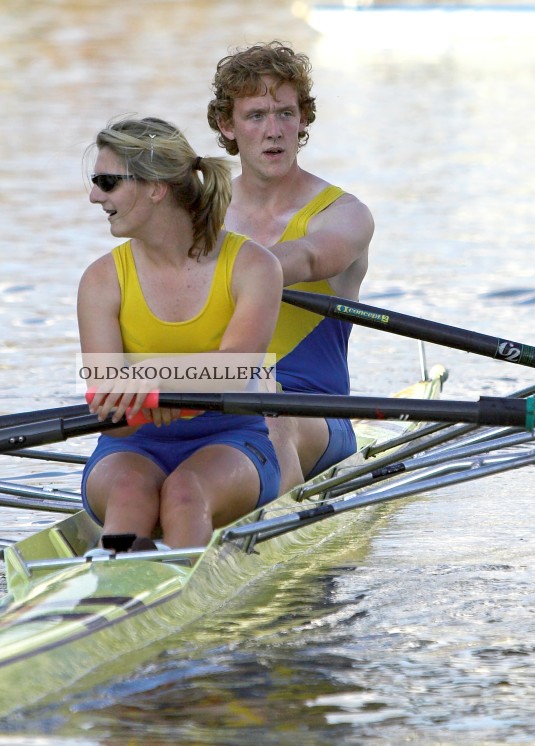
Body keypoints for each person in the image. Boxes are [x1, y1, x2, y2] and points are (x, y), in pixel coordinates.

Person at [77, 116, 283, 550]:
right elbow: (110, 419)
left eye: (108, 182)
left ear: (156, 187)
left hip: (232, 440)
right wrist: (141, 401)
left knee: (186, 494)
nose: (95, 196)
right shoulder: (101, 281)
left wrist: (157, 382)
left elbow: (236, 369)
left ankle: (181, 589)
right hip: (132, 447)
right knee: (131, 493)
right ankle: (114, 591)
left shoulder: (254, 266)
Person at [207, 41, 374, 493]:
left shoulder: (343, 214)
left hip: (315, 417)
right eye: (256, 116)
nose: (274, 130)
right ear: (228, 125)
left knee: (271, 415)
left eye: (284, 113)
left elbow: (310, 257)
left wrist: (220, 270)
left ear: (302, 120)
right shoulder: (200, 216)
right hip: (213, 399)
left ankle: (274, 537)